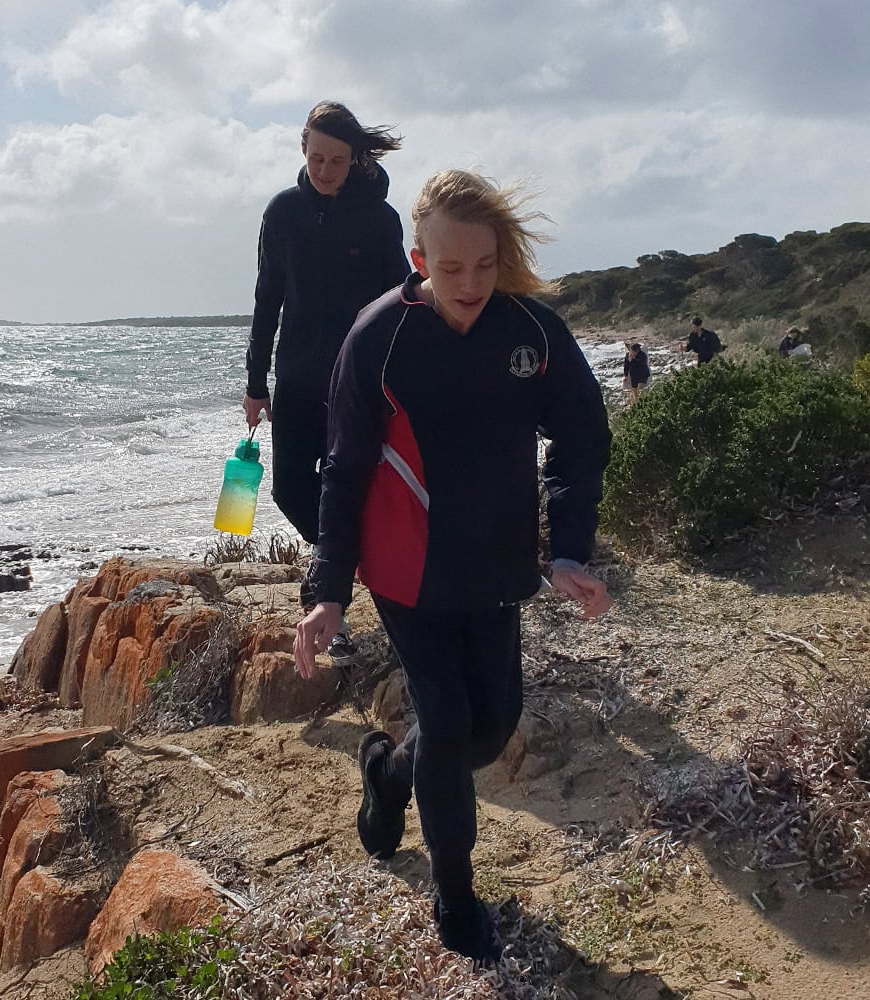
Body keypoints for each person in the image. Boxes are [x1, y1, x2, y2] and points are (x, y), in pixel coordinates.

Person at [293, 169, 613, 963]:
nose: (470, 284)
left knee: (488, 729)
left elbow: (581, 435)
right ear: (419, 259)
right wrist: (328, 590)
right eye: (451, 267)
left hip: (495, 565)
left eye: (485, 265)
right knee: (444, 720)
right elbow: (343, 468)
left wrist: (567, 549)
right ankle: (456, 894)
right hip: (405, 569)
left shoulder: (531, 333)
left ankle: (387, 773)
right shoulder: (378, 338)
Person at [243, 101, 409, 662]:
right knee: (289, 489)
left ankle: (326, 603)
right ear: (303, 148)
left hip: (358, 383)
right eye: (317, 158)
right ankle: (348, 560)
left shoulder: (379, 218)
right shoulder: (283, 212)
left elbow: (400, 301)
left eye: (337, 160)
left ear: (355, 158)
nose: (325, 170)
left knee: (349, 486)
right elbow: (268, 297)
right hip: (295, 376)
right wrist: (255, 381)